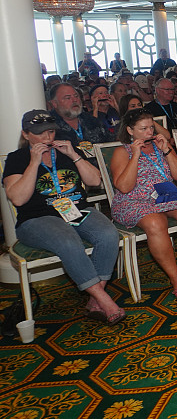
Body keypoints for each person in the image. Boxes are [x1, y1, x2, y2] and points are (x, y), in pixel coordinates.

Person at [3, 110, 125, 325]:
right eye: (40, 133)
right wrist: (33, 163)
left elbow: (95, 180)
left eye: (50, 132)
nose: (47, 138)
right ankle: (103, 299)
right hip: (37, 219)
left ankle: (94, 299)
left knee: (108, 234)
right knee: (68, 240)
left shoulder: (67, 150)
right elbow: (18, 199)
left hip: (77, 210)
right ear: (26, 134)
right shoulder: (17, 158)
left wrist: (74, 156)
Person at [110, 108, 177, 301]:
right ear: (130, 131)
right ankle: (176, 280)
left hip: (165, 195)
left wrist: (167, 150)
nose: (149, 133)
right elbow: (124, 187)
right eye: (143, 128)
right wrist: (136, 155)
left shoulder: (159, 146)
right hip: (134, 200)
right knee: (155, 223)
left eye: (151, 127)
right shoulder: (123, 151)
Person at [48, 82, 113, 157]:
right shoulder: (49, 126)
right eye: (68, 98)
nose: (74, 100)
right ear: (54, 103)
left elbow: (109, 145)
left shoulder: (92, 121)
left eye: (76, 96)